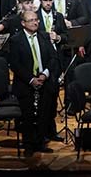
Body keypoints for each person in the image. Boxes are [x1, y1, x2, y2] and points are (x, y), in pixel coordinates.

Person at [8, 10, 60, 156]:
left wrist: (45, 74)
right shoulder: (15, 40)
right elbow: (15, 64)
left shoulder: (44, 36)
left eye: (36, 19)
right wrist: (31, 79)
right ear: (23, 23)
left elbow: (53, 58)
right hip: (25, 83)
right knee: (28, 116)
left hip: (45, 80)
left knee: (44, 114)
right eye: (31, 20)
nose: (35, 22)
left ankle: (40, 142)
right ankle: (29, 145)